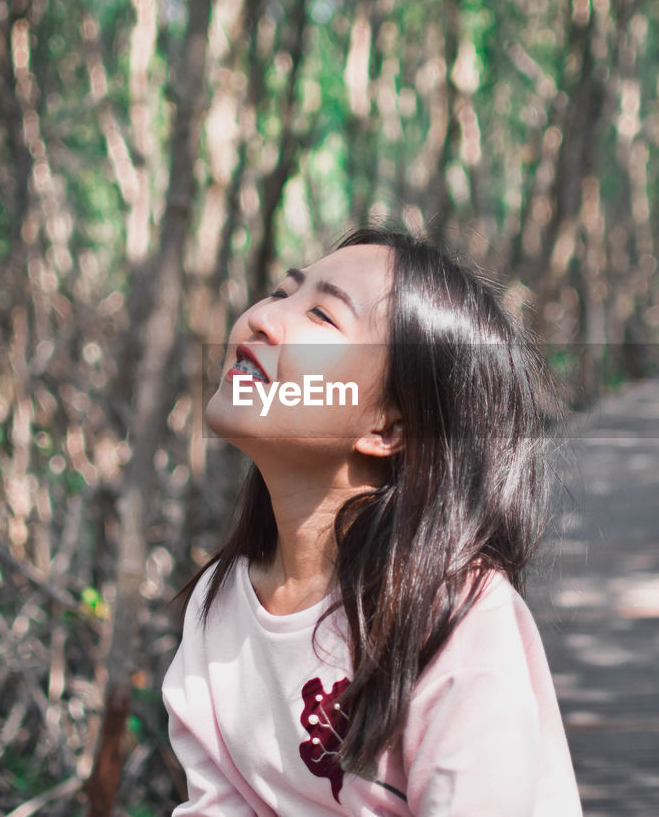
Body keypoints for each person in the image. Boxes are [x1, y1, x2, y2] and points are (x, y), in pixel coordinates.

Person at [162, 227, 581, 815]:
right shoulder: (220, 605)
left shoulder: (454, 612)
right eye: (280, 292)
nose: (264, 319)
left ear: (387, 428)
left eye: (323, 316)